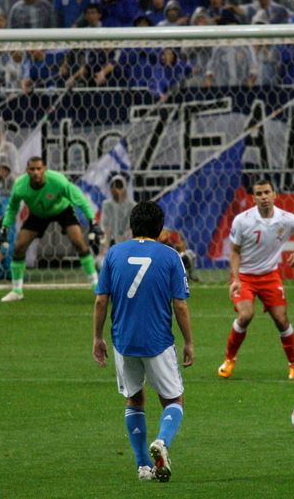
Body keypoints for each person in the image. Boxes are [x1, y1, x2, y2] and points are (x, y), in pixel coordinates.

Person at [93, 201, 194, 482]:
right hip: (158, 341)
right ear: (160, 229)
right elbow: (180, 305)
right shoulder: (170, 256)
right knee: (174, 400)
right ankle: (162, 441)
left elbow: (101, 300)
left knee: (134, 399)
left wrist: (97, 337)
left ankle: (143, 467)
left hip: (123, 341)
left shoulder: (114, 254)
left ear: (131, 226)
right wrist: (189, 342)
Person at [217, 179, 294, 379]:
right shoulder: (242, 220)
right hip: (244, 276)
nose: (264, 197)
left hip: (270, 276)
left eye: (267, 192)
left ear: (274, 195)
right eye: (259, 194)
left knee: (281, 320)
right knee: (245, 315)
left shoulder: (287, 220)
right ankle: (229, 360)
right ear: (253, 198)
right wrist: (236, 279)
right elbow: (234, 252)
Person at [0, 156, 103, 302]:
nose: (36, 172)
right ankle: (17, 290)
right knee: (19, 247)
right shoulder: (20, 185)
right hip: (38, 213)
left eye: (39, 169)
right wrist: (5, 228)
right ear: (27, 170)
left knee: (79, 242)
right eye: (32, 169)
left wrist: (92, 221)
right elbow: (12, 208)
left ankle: (97, 285)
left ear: (45, 169)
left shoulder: (58, 180)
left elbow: (79, 198)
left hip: (62, 209)